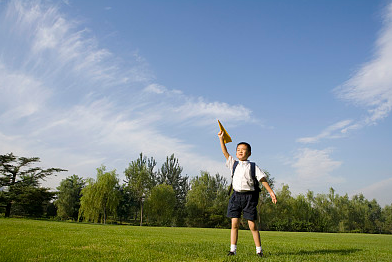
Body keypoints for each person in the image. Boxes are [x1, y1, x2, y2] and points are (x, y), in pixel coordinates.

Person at [218, 130, 277, 257]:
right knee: (234, 224)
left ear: (249, 153)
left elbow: (262, 179)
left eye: (243, 149)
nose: (240, 151)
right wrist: (221, 139)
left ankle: (259, 251)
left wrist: (271, 192)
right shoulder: (233, 164)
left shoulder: (253, 166)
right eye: (238, 149)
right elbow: (224, 152)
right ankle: (232, 250)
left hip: (249, 198)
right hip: (235, 197)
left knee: (252, 225)